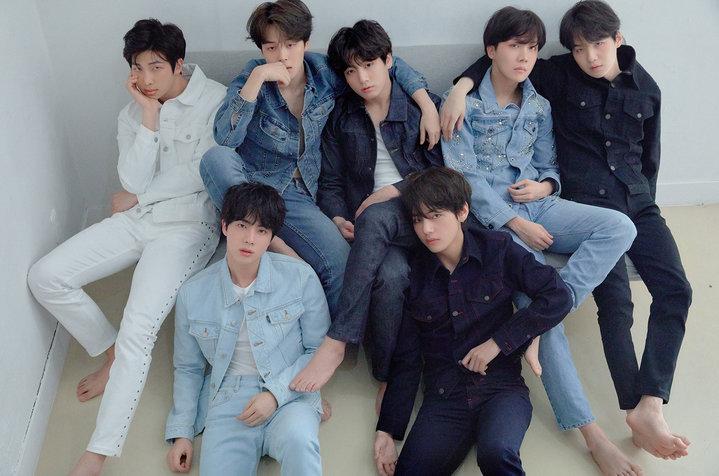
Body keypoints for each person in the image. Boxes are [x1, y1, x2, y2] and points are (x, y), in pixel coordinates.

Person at [444, 0, 692, 463]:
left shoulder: (547, 101)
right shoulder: (536, 82)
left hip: (585, 203)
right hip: (510, 215)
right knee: (587, 300)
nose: (590, 56)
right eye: (579, 48)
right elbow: (464, 178)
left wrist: (546, 184)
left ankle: (555, 320)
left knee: (642, 254)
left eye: (598, 44)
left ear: (618, 40)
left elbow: (638, 158)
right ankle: (595, 436)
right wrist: (458, 88)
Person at [27, 19, 225, 475]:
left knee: (139, 326)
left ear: (179, 63)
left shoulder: (215, 101)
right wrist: (149, 117)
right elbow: (131, 180)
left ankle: (97, 452)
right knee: (46, 276)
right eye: (138, 68)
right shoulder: (132, 113)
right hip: (138, 221)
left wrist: (141, 196)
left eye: (156, 67)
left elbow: (204, 171)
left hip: (187, 228)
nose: (146, 78)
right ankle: (110, 352)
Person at [199, 0, 440, 318]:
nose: (282, 56)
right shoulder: (252, 77)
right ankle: (272, 241)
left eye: (290, 44)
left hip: (299, 194)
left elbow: (385, 64)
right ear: (261, 50)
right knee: (215, 159)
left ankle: (337, 338)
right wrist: (257, 78)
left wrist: (427, 103)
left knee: (340, 262)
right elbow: (226, 138)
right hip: (253, 181)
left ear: (305, 42)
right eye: (271, 48)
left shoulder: (326, 74)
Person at [373, 167, 572, 476]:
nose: (426, 229)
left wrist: (498, 343)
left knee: (497, 452)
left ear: (462, 211)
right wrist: (387, 430)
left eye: (435, 215)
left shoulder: (497, 249)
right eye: (417, 220)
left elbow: (558, 296)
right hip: (445, 398)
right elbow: (408, 358)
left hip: (501, 389)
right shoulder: (416, 277)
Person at [289, 20, 442, 408]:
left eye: (369, 65)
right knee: (390, 276)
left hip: (424, 215)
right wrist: (336, 217)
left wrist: (394, 190)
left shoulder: (423, 107)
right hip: (375, 232)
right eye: (351, 71)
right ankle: (386, 375)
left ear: (389, 61)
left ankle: (337, 339)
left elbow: (448, 173)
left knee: (375, 215)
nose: (362, 78)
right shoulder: (341, 116)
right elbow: (331, 182)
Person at [165, 183, 329, 476]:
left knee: (300, 442)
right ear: (225, 226)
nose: (250, 239)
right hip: (228, 399)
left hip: (289, 393)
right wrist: (182, 433)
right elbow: (188, 368)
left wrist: (275, 395)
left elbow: (319, 350)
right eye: (242, 225)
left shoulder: (300, 277)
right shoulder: (193, 293)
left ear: (271, 238)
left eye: (262, 231)